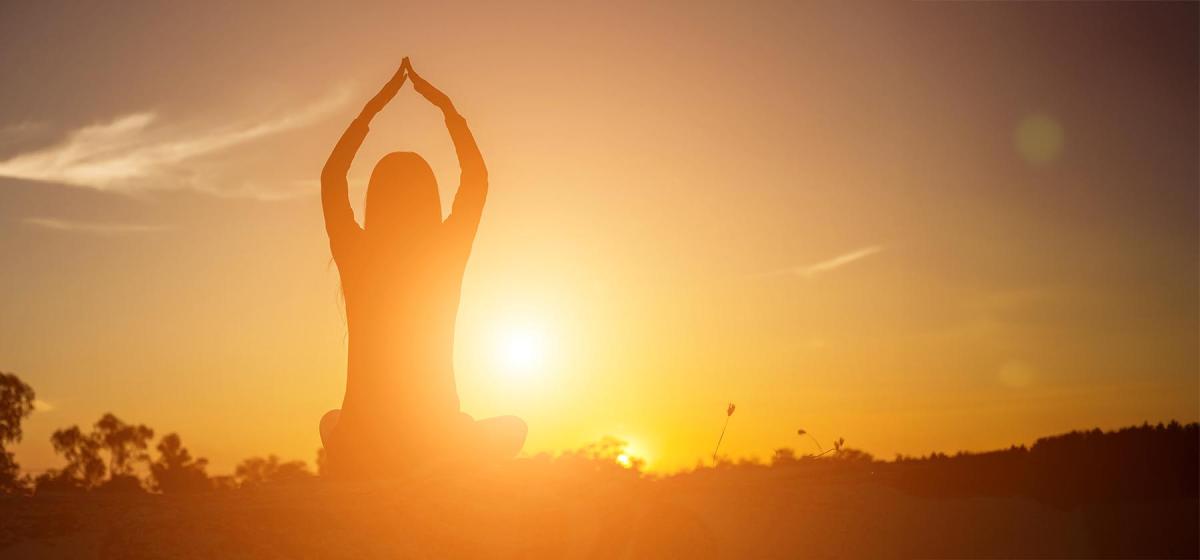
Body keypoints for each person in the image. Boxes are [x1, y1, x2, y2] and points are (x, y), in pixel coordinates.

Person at [319, 58, 525, 477]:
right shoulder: (445, 253)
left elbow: (331, 178)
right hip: (435, 439)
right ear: (428, 199)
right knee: (513, 429)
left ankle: (410, 456)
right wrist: (447, 109)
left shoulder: (357, 254)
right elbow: (476, 179)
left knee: (329, 420)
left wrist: (370, 111)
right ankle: (439, 457)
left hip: (362, 445)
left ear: (374, 200)